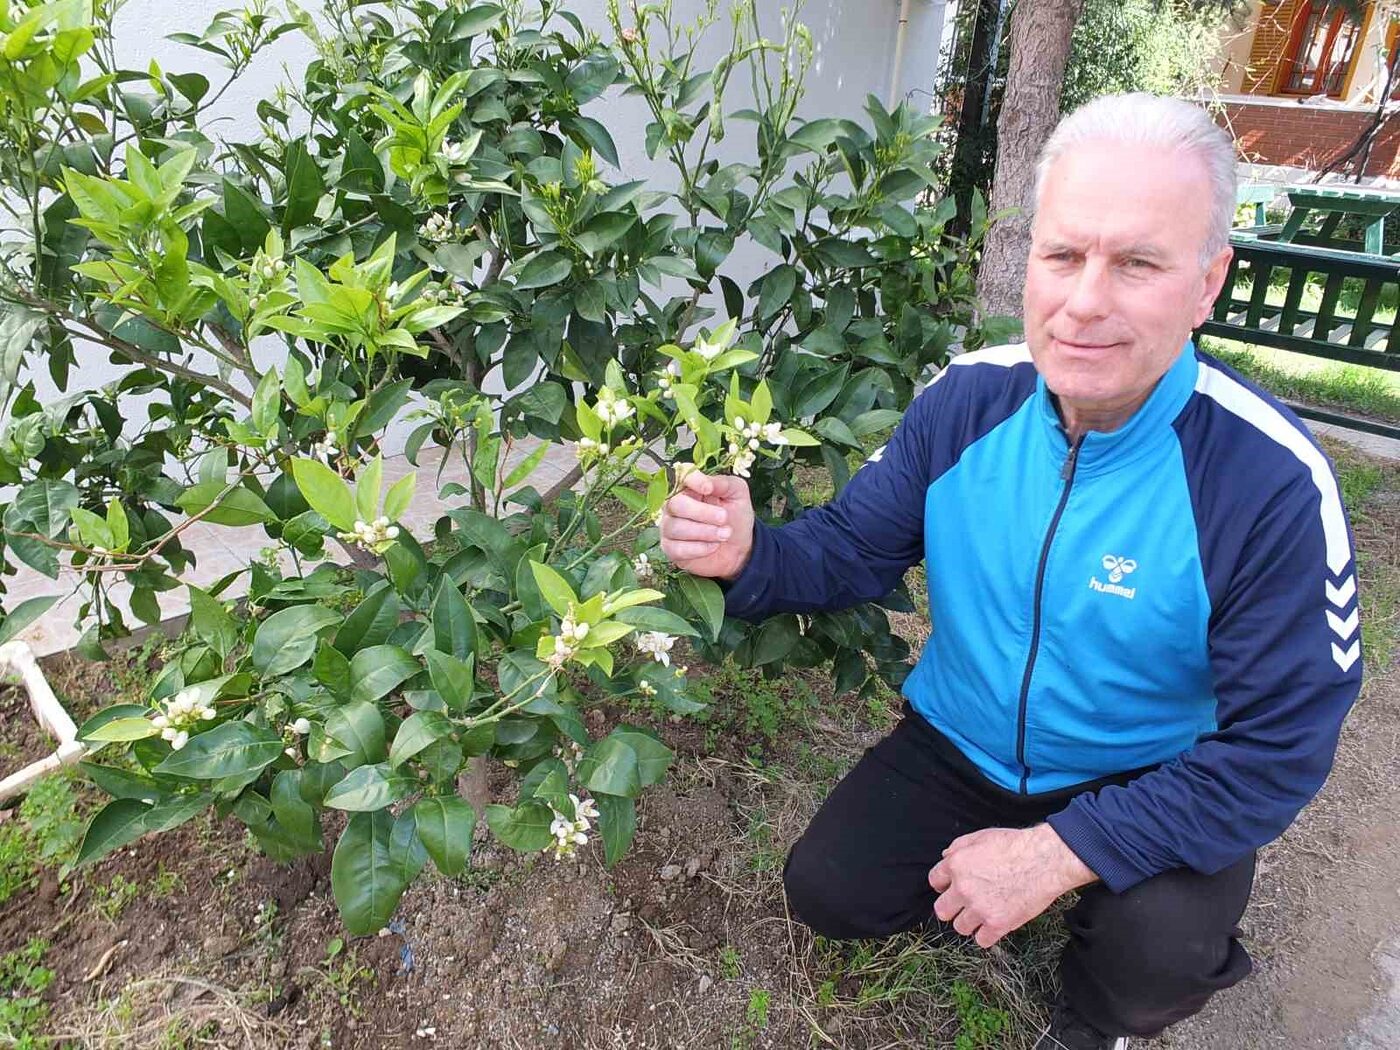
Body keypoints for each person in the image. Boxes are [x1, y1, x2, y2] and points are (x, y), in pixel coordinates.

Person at [657, 93, 1363, 1050]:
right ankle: (1019, 881)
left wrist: (1063, 851)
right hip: (965, 744)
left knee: (1153, 954)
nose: (1083, 302)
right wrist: (749, 554)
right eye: (1063, 255)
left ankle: (1095, 1016)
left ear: (1207, 284)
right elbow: (857, 550)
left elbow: (1276, 750)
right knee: (828, 892)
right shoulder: (968, 399)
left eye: (1139, 264)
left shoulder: (1268, 481)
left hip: (1149, 770)